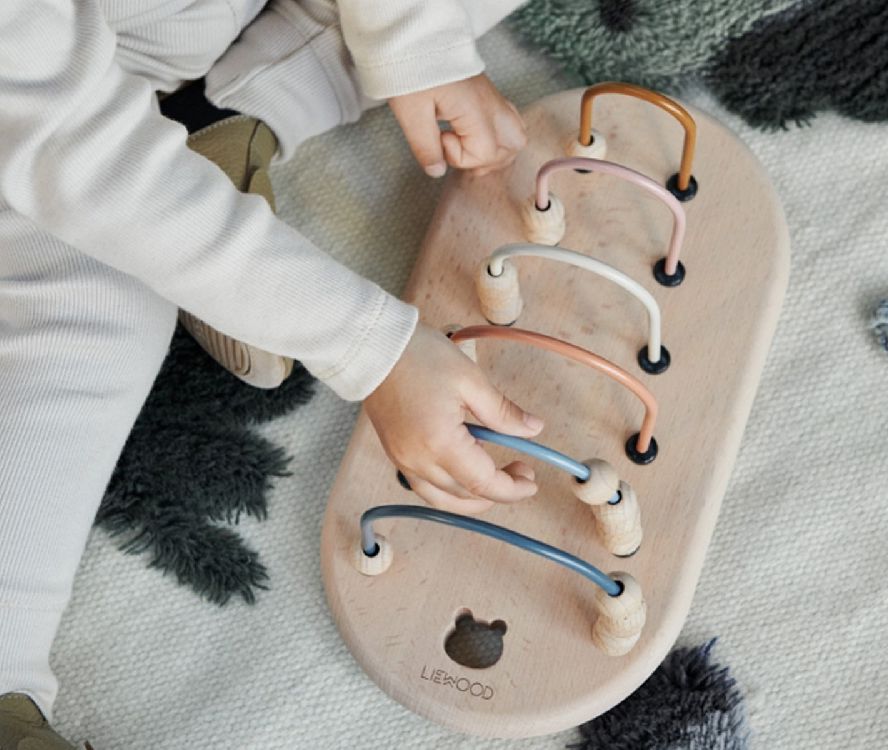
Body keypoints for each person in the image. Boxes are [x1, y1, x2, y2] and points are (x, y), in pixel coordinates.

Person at [0, 0, 545, 746]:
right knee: (98, 300)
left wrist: (417, 42)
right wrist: (371, 348)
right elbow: (75, 149)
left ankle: (231, 119)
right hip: (53, 93)